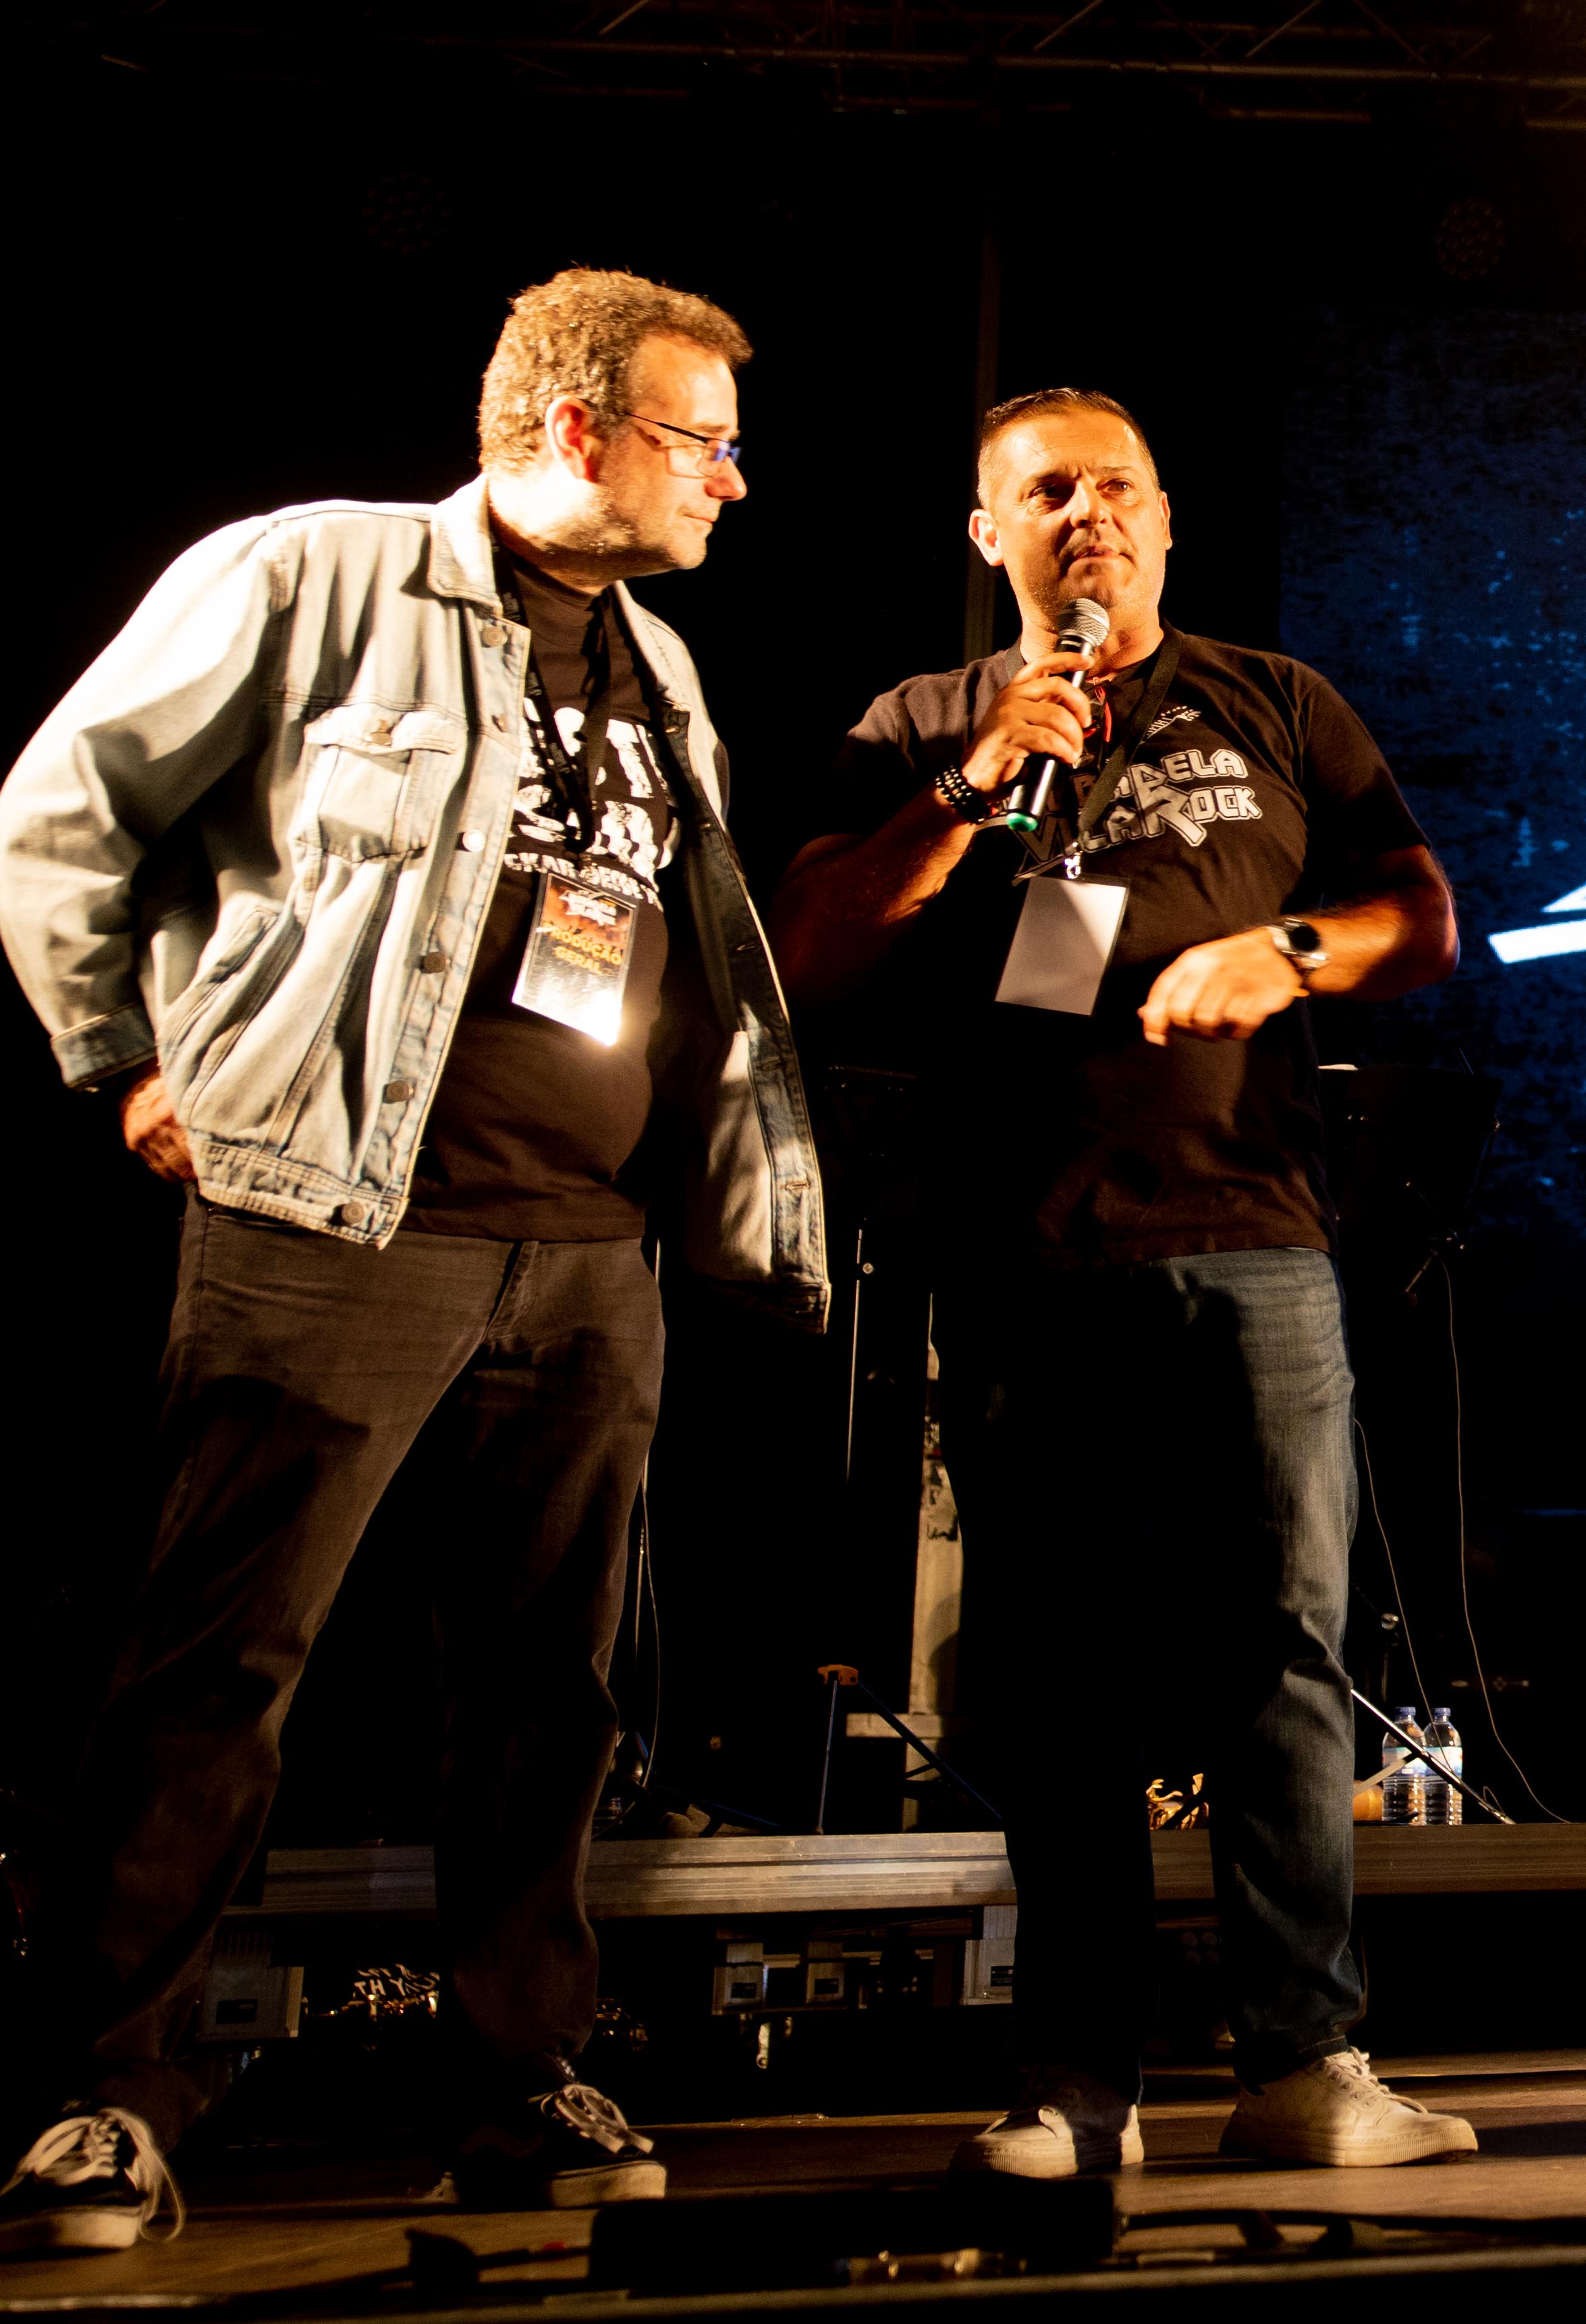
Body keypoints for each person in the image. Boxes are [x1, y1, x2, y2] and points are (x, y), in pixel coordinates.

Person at [0, 267, 825, 2251]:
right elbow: (68, 804)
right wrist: (121, 1060)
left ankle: (518, 2078)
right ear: (577, 430)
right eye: (701, 438)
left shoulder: (664, 666)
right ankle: (103, 2097)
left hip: (588, 1247)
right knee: (221, 1665)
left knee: (551, 1688)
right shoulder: (313, 576)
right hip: (338, 1217)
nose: (732, 476)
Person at [771, 386, 1475, 2175]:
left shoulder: (1278, 699)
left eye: (1117, 487)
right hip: (1028, 1247)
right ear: (988, 534)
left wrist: (1286, 950)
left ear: (1165, 521)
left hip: (1253, 1235)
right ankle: (1080, 2087)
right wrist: (971, 778)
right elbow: (809, 954)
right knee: (1056, 1668)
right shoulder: (916, 721)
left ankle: (1304, 2061)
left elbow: (1421, 919)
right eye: (1047, 492)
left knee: (1283, 1650)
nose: (1087, 514)